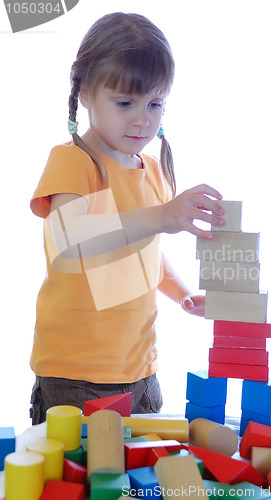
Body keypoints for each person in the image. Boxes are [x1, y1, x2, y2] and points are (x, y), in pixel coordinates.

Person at [29, 12, 225, 424]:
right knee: (83, 484)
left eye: (155, 103)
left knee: (137, 483)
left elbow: (143, 252)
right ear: (84, 93)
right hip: (75, 375)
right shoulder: (73, 161)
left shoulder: (150, 170)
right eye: (124, 103)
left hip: (140, 371)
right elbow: (74, 240)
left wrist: (182, 293)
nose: (142, 119)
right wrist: (159, 216)